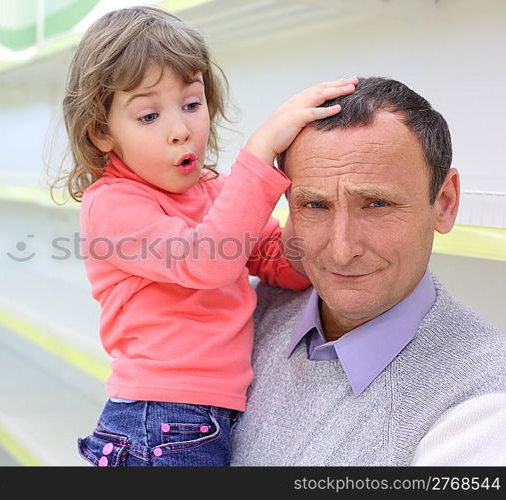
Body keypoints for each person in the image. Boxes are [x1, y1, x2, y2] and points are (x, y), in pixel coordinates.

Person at [58, 6, 358, 466]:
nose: (181, 131)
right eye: (148, 116)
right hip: (156, 419)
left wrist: (310, 196)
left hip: (203, 418)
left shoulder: (215, 192)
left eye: (192, 105)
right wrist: (259, 154)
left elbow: (283, 266)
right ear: (101, 131)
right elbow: (206, 260)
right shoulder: (112, 204)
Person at [231, 77, 506, 466]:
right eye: (314, 205)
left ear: (444, 202)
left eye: (377, 203)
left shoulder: (486, 406)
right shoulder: (245, 314)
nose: (342, 251)